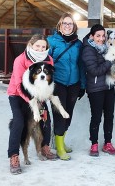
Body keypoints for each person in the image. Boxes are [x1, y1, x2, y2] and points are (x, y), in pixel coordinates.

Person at [7, 34, 57, 175]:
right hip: (17, 95)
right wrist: (32, 102)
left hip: (39, 97)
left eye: (43, 47)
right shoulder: (20, 60)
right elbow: (18, 85)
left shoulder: (49, 60)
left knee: (46, 119)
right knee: (19, 122)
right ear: (31, 45)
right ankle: (14, 156)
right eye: (37, 46)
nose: (40, 49)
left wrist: (43, 97)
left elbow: (48, 82)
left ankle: (44, 147)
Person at [47, 13, 86, 161]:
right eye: (65, 23)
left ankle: (61, 142)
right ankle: (60, 148)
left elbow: (81, 65)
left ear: (74, 26)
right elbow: (45, 63)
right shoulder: (51, 41)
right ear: (60, 25)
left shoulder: (78, 44)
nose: (68, 26)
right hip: (58, 84)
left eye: (70, 24)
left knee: (68, 114)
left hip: (74, 84)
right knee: (59, 115)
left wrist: (82, 85)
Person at [81, 24, 115, 157]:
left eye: (103, 36)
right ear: (92, 36)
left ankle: (108, 143)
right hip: (95, 88)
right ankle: (94, 144)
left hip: (108, 87)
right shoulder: (88, 49)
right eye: (98, 36)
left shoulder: (107, 48)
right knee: (96, 117)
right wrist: (109, 62)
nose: (101, 38)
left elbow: (113, 65)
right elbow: (94, 71)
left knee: (109, 116)